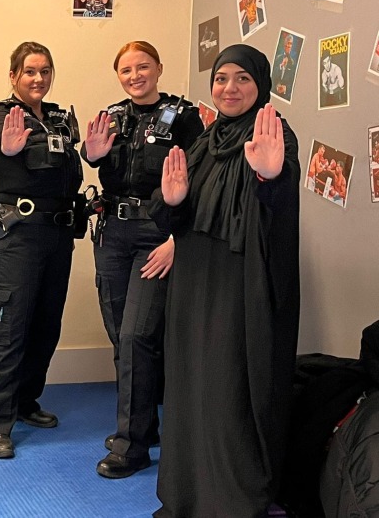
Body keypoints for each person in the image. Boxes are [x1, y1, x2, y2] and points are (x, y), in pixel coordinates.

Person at [152, 44, 300, 516]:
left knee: (230, 385)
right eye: (221, 79)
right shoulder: (205, 141)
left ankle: (232, 500)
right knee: (190, 384)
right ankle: (188, 493)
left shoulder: (272, 133)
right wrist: (173, 202)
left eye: (242, 79)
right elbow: (173, 219)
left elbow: (279, 213)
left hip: (241, 284)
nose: (229, 88)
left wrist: (271, 177)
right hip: (194, 281)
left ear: (261, 86)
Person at [80, 41, 203, 479]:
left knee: (136, 336)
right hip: (112, 233)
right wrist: (91, 156)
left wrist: (177, 238)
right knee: (122, 335)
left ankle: (131, 447)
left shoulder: (184, 116)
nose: (135, 76)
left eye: (143, 67)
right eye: (126, 70)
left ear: (159, 69)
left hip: (156, 234)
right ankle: (145, 427)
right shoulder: (110, 117)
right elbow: (97, 163)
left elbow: (200, 180)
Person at [0, 41, 83, 459]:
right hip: (15, 236)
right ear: (13, 77)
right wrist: (6, 147)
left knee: (45, 324)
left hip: (57, 236)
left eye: (44, 71)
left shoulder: (58, 119)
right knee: (7, 328)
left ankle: (25, 402)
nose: (38, 79)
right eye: (29, 72)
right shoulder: (3, 117)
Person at [272, 33, 298, 98]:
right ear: (284, 45)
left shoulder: (293, 63)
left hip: (286, 96)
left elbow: (294, 82)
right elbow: (272, 75)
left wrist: (285, 88)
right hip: (274, 93)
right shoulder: (277, 58)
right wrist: (281, 65)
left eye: (290, 44)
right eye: (287, 44)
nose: (289, 46)